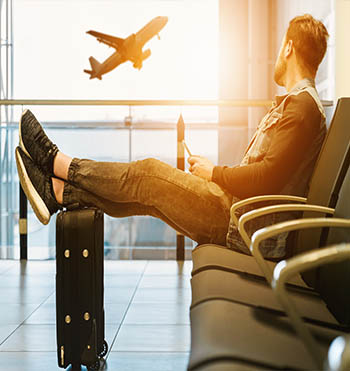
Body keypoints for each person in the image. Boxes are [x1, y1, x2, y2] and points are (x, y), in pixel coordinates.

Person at [16, 14, 329, 259]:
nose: (277, 54)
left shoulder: (302, 108)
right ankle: (58, 193)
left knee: (148, 173)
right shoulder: (300, 106)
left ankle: (56, 162)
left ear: (288, 47)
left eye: (279, 47)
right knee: (148, 198)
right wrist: (215, 174)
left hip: (239, 223)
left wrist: (215, 173)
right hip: (239, 215)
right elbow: (269, 174)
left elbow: (267, 178)